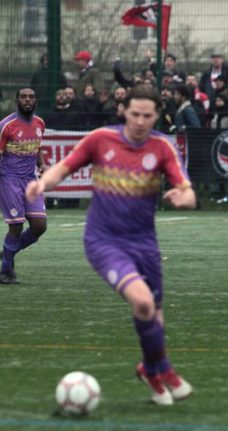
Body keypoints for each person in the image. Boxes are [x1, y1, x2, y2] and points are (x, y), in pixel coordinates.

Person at [24, 84, 197, 405]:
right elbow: (64, 167)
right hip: (104, 241)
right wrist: (41, 184)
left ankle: (149, 370)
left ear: (157, 115)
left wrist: (182, 198)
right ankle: (165, 370)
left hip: (144, 244)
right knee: (143, 303)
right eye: (135, 114)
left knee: (154, 314)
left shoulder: (162, 147)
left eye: (148, 115)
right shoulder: (101, 139)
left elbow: (187, 190)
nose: (141, 121)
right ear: (123, 111)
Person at [0, 87, 47, 285]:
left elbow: (37, 146)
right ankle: (5, 272)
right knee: (16, 226)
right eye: (23, 97)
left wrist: (41, 163)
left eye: (31, 97)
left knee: (39, 226)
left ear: (35, 101)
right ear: (17, 100)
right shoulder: (6, 125)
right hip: (9, 179)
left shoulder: (40, 123)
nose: (27, 100)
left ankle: (7, 252)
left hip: (31, 179)